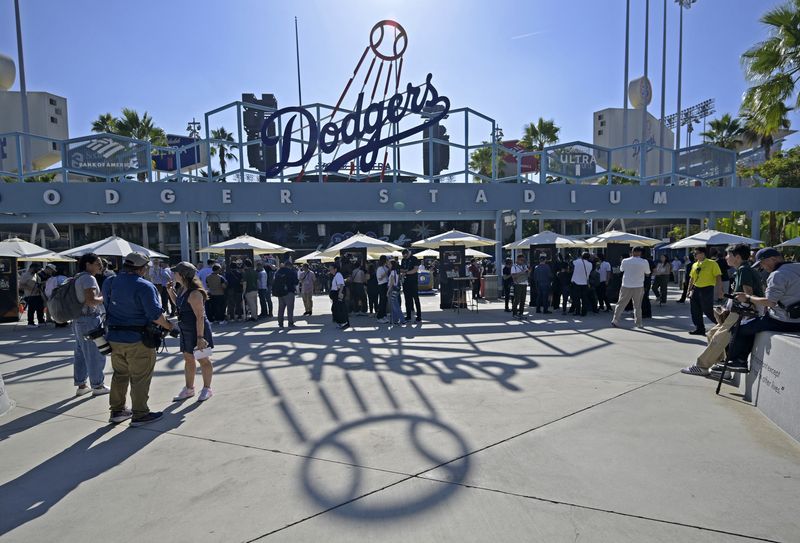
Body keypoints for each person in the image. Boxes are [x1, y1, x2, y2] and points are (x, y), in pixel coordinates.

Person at [103, 252, 175, 426]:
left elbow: (106, 305)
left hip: (113, 337)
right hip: (138, 339)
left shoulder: (110, 282)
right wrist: (171, 327)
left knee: (120, 374)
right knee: (140, 377)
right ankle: (140, 413)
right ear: (142, 268)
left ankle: (117, 411)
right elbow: (155, 315)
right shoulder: (144, 286)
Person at [681, 244, 764, 377]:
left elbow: (748, 294)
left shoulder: (744, 270)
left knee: (719, 337)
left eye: (728, 255)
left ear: (737, 257)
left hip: (742, 313)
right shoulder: (742, 269)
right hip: (738, 311)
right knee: (712, 333)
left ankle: (702, 366)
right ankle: (722, 366)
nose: (725, 257)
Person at [720, 248, 800, 372]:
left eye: (762, 263)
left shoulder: (777, 275)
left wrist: (747, 297)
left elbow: (770, 302)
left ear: (773, 259)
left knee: (739, 329)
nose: (762, 267)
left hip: (784, 321)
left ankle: (738, 361)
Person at [168, 262, 214, 402]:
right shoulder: (183, 289)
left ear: (182, 275)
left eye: (175, 272)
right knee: (188, 359)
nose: (173, 274)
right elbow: (180, 305)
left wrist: (200, 338)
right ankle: (189, 389)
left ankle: (207, 388)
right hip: (186, 329)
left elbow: (199, 316)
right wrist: (171, 292)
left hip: (197, 330)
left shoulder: (194, 293)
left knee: (203, 359)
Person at [71, 253, 109, 397]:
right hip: (89, 319)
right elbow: (91, 300)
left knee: (80, 353)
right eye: (97, 263)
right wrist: (104, 296)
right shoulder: (88, 278)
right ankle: (97, 385)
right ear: (88, 264)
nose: (100, 266)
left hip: (78, 319)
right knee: (95, 353)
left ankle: (82, 385)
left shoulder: (77, 277)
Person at [611, 247, 651, 329]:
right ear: (640, 253)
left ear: (632, 252)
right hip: (638, 285)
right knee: (637, 305)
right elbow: (647, 273)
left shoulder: (625, 261)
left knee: (621, 303)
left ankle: (615, 320)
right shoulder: (644, 262)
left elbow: (621, 269)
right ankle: (638, 323)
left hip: (626, 285)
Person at [687, 247, 722, 336]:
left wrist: (720, 290)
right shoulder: (695, 264)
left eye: (696, 253)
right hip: (696, 288)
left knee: (707, 310)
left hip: (707, 288)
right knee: (695, 310)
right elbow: (692, 278)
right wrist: (689, 290)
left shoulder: (712, 263)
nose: (694, 255)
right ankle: (699, 328)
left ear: (703, 254)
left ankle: (721, 324)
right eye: (694, 253)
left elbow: (718, 277)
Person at [273, 258, 299, 328]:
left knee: (281, 308)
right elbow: (296, 282)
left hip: (280, 292)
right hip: (289, 292)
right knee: (290, 308)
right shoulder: (291, 272)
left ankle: (280, 323)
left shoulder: (278, 272)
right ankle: (290, 322)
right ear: (290, 266)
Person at [400, 249, 422, 322]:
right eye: (404, 256)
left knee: (416, 299)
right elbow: (402, 269)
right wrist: (405, 271)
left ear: (408, 254)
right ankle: (408, 316)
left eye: (406, 256)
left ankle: (419, 316)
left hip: (413, 282)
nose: (405, 257)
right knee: (407, 299)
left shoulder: (414, 259)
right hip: (405, 282)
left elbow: (415, 269)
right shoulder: (403, 260)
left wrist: (406, 272)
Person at [570, 252, 593, 317]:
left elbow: (572, 263)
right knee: (584, 299)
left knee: (576, 298)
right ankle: (584, 312)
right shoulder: (590, 264)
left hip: (576, 283)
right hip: (585, 283)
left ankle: (577, 311)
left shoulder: (578, 261)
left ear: (582, 256)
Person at [329, 263, 350, 329]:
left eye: (331, 269)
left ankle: (343, 322)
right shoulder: (336, 275)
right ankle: (341, 322)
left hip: (338, 293)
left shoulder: (338, 275)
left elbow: (341, 285)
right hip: (336, 293)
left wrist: (340, 293)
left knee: (340, 309)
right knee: (336, 308)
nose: (330, 271)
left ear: (335, 269)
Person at [510, 254, 529, 319]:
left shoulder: (524, 266)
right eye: (521, 260)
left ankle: (521, 313)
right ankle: (514, 313)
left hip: (524, 284)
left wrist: (528, 272)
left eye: (523, 260)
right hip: (518, 284)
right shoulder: (514, 267)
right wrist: (522, 272)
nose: (522, 261)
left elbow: (527, 274)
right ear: (517, 260)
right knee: (517, 299)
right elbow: (513, 276)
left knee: (523, 300)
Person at [387, 259, 406, 326]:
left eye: (389, 264)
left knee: (395, 306)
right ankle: (396, 320)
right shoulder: (395, 272)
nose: (388, 265)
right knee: (395, 305)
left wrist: (388, 291)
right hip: (396, 289)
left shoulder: (392, 272)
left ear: (392, 265)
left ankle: (402, 320)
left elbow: (391, 282)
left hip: (392, 289)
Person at [376, 255, 390, 324]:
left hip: (385, 285)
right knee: (382, 301)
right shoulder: (379, 268)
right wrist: (386, 273)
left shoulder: (385, 267)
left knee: (385, 301)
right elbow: (379, 278)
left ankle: (384, 315)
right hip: (381, 285)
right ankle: (379, 317)